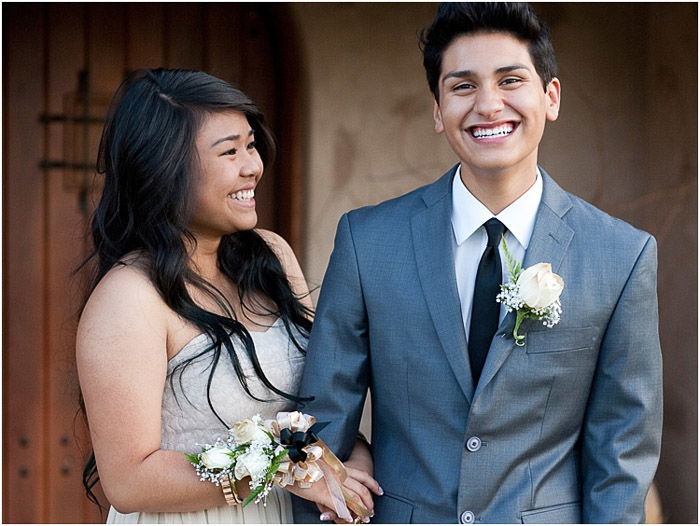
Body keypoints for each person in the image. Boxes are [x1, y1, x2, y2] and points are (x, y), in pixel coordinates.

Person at [293, 3, 662, 524]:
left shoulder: (621, 255)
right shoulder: (367, 241)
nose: (489, 105)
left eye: (511, 80)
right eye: (463, 86)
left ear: (550, 97)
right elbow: (322, 423)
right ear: (438, 111)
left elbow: (621, 452)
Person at [76, 68, 379, 524]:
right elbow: (129, 480)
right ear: (165, 170)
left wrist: (350, 460)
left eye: (251, 145)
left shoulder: (271, 256)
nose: (252, 166)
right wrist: (285, 468)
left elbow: (314, 401)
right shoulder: (129, 297)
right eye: (229, 151)